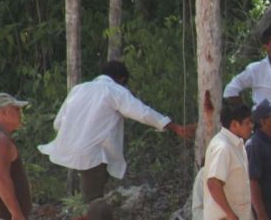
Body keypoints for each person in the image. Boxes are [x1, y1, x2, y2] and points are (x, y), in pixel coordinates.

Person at [39, 61, 193, 201]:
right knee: (93, 201)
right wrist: (175, 127)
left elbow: (58, 123)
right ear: (122, 80)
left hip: (69, 148)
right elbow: (143, 113)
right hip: (93, 153)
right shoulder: (115, 91)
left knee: (89, 195)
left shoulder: (78, 89)